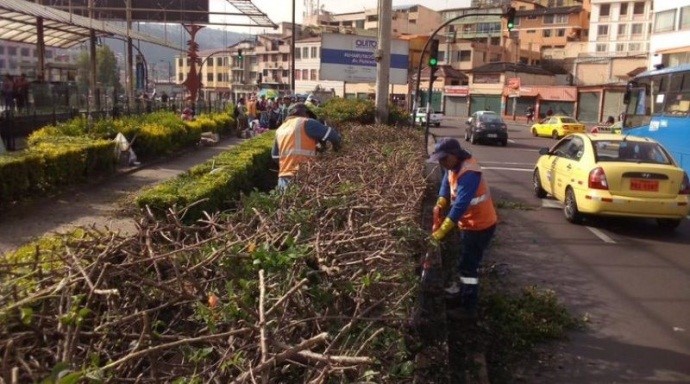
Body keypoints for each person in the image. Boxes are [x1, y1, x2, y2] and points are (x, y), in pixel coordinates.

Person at [429, 137, 498, 319]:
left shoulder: (469, 173)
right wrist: (441, 200)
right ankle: (462, 295)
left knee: (469, 267)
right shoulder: (453, 167)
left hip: (480, 226)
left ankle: (468, 307)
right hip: (469, 224)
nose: (442, 163)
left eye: (444, 159)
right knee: (464, 263)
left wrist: (443, 229)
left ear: (454, 155)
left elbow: (460, 205)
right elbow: (446, 182)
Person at [271, 102, 342, 191]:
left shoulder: (280, 129)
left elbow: (275, 156)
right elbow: (333, 136)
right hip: (304, 176)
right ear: (304, 113)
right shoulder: (307, 122)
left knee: (285, 204)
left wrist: (289, 164)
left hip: (283, 178)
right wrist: (337, 149)